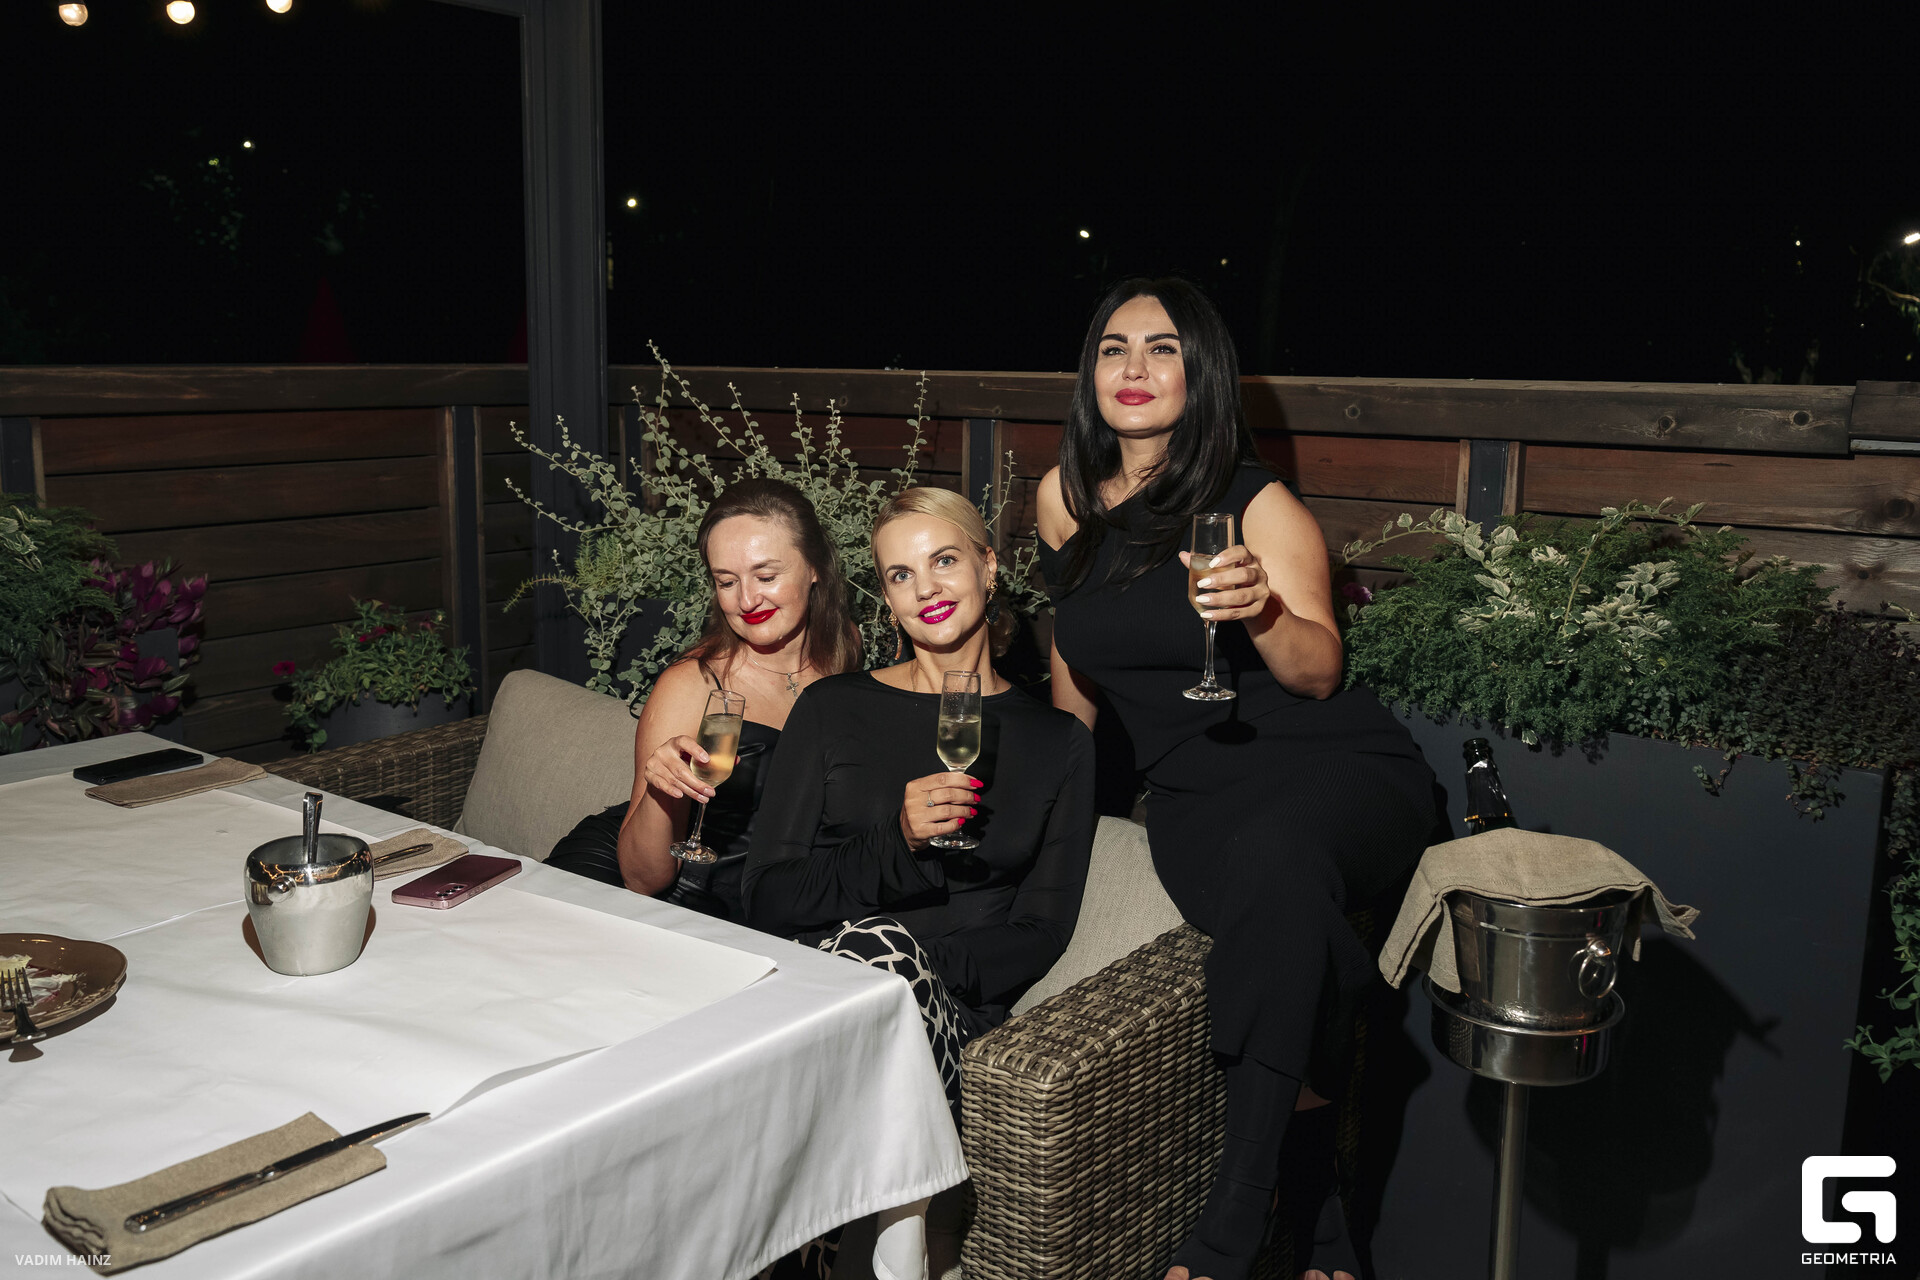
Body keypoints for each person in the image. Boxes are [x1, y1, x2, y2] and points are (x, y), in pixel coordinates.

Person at [1035, 279, 1438, 1280]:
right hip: (1193, 791)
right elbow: (1075, 678)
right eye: (1114, 347)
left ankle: (1235, 1220)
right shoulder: (1061, 499)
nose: (1134, 368)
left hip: (1336, 766)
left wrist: (1260, 609)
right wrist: (1047, 811)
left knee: (1278, 861)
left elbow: (1319, 671)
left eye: (1163, 347)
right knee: (1283, 905)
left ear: (1202, 371)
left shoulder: (1258, 503)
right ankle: (1320, 1200)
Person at [743, 486, 1096, 1121]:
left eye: (945, 561)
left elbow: (1042, 930)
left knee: (880, 949)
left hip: (944, 1014)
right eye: (901, 575)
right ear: (888, 600)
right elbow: (766, 893)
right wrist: (896, 843)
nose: (926, 588)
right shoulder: (832, 708)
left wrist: (908, 969)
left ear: (988, 565)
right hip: (814, 991)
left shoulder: (1058, 742)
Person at [545, 478, 861, 920]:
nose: (747, 600)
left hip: (762, 896)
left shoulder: (844, 647)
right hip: (657, 891)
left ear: (815, 568)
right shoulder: (693, 683)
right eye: (726, 581)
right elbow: (642, 881)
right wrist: (662, 790)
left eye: (766, 576)